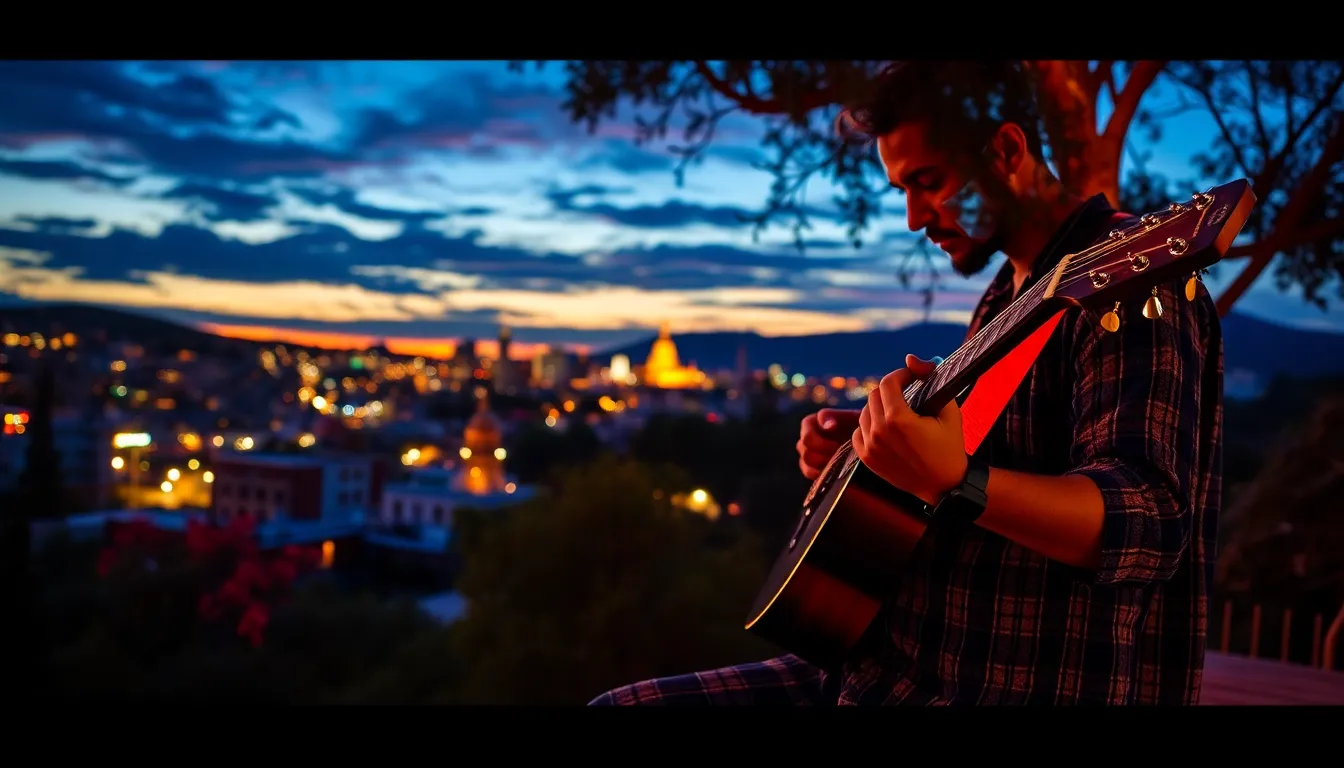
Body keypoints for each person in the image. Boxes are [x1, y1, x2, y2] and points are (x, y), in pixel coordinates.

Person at [589, 60, 1224, 706]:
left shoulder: (1133, 281)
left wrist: (958, 480)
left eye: (930, 181)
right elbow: (961, 476)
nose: (915, 218)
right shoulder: (1008, 296)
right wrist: (868, 457)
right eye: (902, 191)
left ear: (1006, 150)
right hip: (883, 664)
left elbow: (1153, 522)